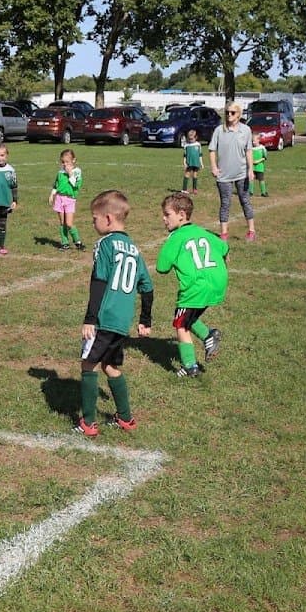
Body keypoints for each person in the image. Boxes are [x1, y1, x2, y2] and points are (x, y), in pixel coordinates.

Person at [76, 190, 153, 437]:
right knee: (110, 365)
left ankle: (87, 422)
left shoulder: (105, 244)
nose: (92, 222)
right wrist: (145, 320)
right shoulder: (134, 249)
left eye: (94, 218)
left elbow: (99, 281)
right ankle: (126, 418)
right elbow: (148, 288)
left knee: (89, 364)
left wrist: (90, 318)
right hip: (122, 320)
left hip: (103, 318)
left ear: (108, 219)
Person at [156, 192, 228, 378]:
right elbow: (225, 249)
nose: (164, 219)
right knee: (189, 316)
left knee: (181, 324)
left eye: (167, 214)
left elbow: (161, 267)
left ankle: (190, 366)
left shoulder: (175, 238)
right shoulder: (203, 232)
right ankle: (209, 336)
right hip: (217, 283)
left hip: (196, 287)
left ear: (181, 214)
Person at [209, 103, 255, 241]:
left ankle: (251, 230)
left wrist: (250, 169)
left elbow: (248, 151)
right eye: (227, 112)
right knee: (225, 203)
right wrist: (214, 167)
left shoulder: (246, 130)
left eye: (233, 112)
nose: (229, 115)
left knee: (245, 201)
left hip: (241, 173)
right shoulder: (219, 130)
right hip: (224, 175)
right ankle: (223, 234)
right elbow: (212, 150)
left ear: (239, 114)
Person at [49, 148, 84, 251]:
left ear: (73, 160)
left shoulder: (77, 172)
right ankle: (65, 243)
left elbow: (76, 185)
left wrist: (70, 174)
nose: (64, 164)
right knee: (62, 222)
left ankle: (77, 241)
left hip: (69, 199)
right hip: (59, 198)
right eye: (63, 162)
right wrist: (52, 194)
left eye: (67, 162)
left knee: (69, 223)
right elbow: (56, 185)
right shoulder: (60, 172)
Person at [182, 128, 202, 194]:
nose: (190, 140)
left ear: (196, 137)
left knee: (195, 174)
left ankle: (194, 189)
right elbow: (185, 155)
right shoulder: (186, 145)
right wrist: (184, 162)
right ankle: (184, 189)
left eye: (192, 138)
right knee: (187, 174)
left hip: (196, 162)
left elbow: (200, 155)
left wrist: (201, 163)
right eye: (189, 138)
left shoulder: (198, 145)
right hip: (189, 162)